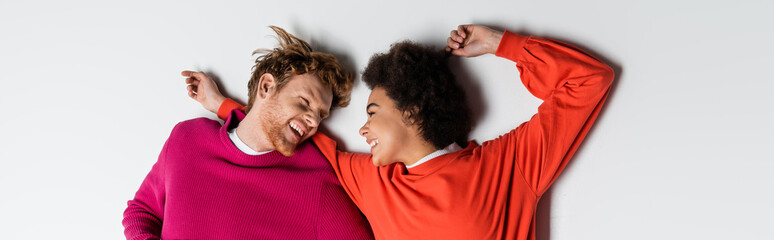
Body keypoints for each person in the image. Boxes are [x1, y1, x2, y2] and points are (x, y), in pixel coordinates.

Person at [193, 24, 614, 239]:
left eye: (373, 111)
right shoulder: (372, 178)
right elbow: (291, 130)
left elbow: (589, 81)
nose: (362, 127)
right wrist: (223, 106)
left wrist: (499, 42)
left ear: (411, 112)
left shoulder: (508, 166)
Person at [122, 26, 374, 240]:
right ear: (266, 87)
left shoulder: (318, 184)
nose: (313, 121)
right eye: (305, 103)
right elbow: (141, 212)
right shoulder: (187, 138)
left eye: (321, 115)